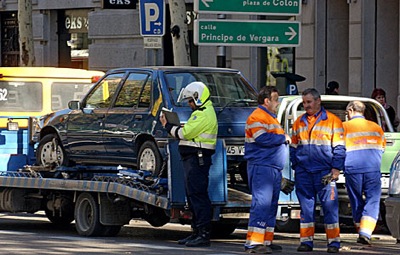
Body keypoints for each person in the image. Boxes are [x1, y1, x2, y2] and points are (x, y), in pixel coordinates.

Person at [159, 81, 218, 247]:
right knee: (193, 197)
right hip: (194, 160)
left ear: (198, 98)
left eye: (190, 101)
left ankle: (203, 234)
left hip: (197, 160)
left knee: (198, 196)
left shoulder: (203, 114)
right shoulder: (201, 113)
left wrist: (168, 125)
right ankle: (197, 232)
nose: (189, 104)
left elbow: (184, 133)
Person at [289, 88, 345, 253]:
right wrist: (296, 166)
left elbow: (340, 148)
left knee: (330, 207)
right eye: (304, 102)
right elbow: (293, 147)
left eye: (309, 102)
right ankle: (306, 242)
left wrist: (336, 169)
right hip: (304, 172)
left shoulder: (333, 121)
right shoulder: (299, 122)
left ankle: (333, 243)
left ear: (318, 101)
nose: (306, 105)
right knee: (306, 210)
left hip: (325, 172)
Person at [243, 86, 292, 254]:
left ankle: (266, 241)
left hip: (271, 168)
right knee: (261, 204)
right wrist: (283, 138)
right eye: (276, 99)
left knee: (270, 206)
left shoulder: (269, 117)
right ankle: (254, 243)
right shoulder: (258, 116)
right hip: (262, 166)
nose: (277, 103)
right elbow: (261, 138)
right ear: (267, 101)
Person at [343, 101, 386, 245]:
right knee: (373, 200)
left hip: (352, 169)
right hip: (372, 169)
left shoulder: (344, 127)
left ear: (350, 110)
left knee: (355, 200)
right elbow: (382, 147)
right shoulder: (376, 127)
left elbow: (337, 148)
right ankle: (365, 232)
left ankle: (360, 229)